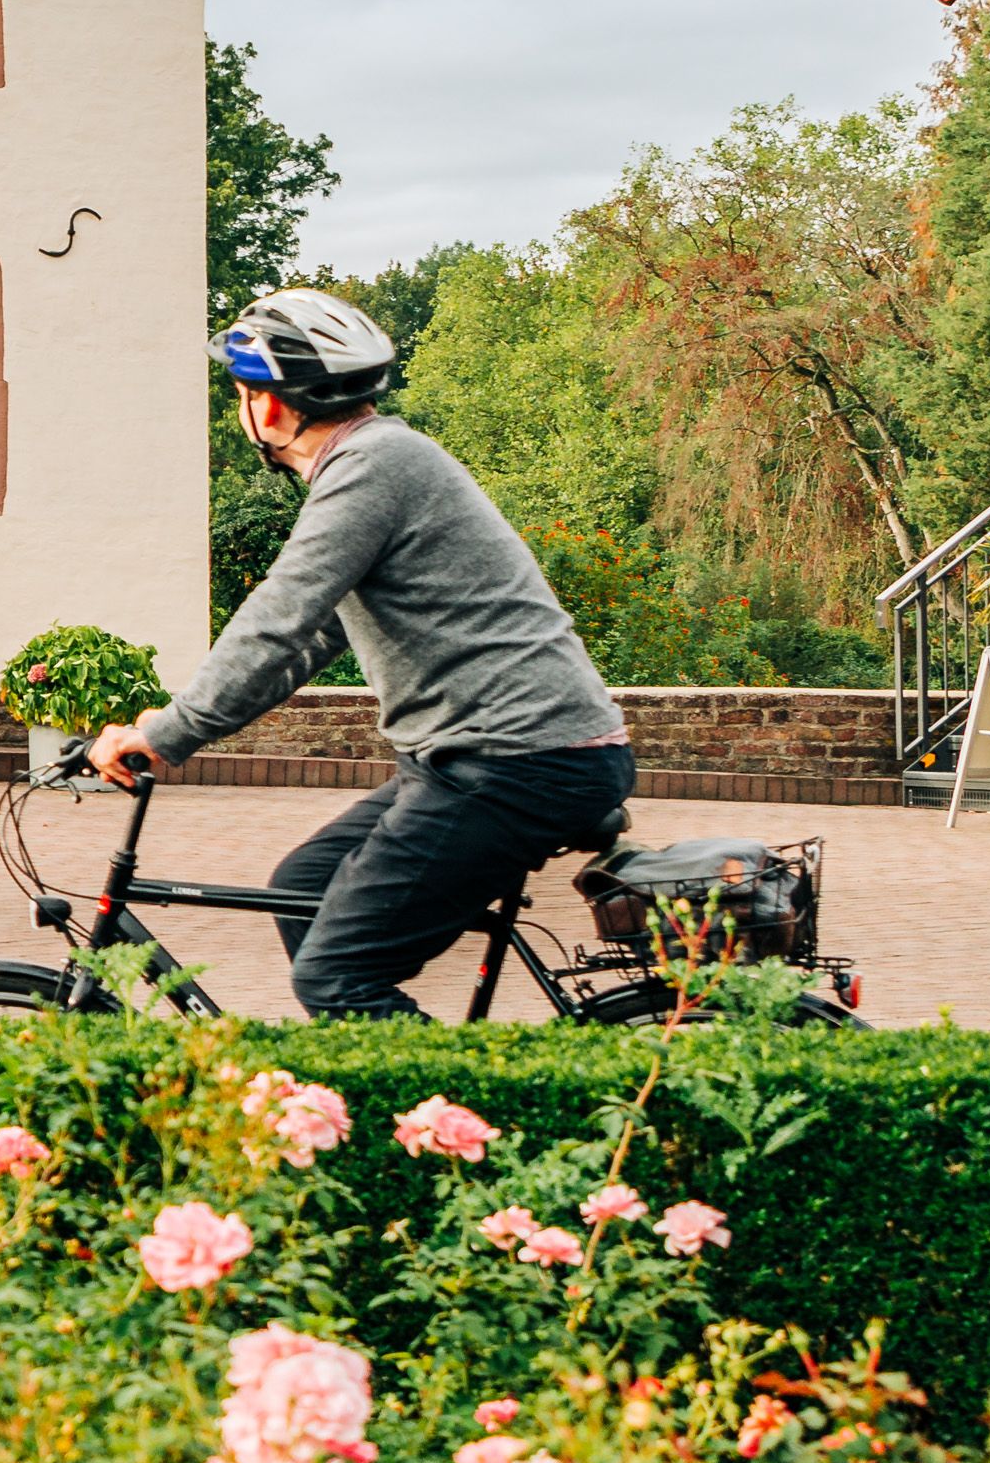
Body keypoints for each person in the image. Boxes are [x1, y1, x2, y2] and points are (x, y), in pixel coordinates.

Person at [88, 286, 633, 1018]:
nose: (239, 408)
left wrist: (167, 733)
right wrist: (180, 726)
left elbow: (277, 617)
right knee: (302, 892)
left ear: (271, 407)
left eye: (241, 392)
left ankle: (454, 1126)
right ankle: (379, 1088)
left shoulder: (372, 466)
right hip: (480, 758)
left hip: (518, 762)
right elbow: (311, 637)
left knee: (337, 975)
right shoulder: (376, 461)